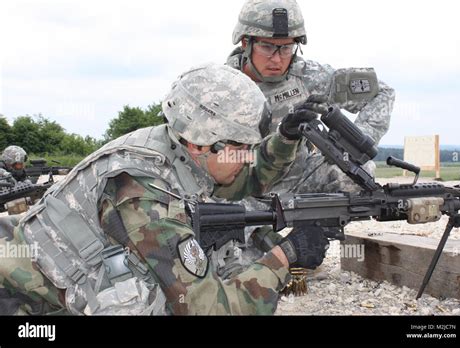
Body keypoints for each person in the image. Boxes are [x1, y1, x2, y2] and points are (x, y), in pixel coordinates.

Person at [0, 64, 327, 315]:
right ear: (205, 144)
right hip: (24, 305)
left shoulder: (176, 147)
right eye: (242, 147)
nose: (247, 156)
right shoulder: (146, 196)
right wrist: (286, 256)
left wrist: (284, 140)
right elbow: (207, 308)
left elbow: (245, 176)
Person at [227, 0, 395, 194]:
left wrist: (353, 144)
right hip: (236, 192)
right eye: (266, 47)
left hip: (296, 186)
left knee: (355, 170)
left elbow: (381, 92)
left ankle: (317, 226)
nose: (277, 59)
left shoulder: (308, 78)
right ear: (246, 43)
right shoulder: (217, 86)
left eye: (286, 48)